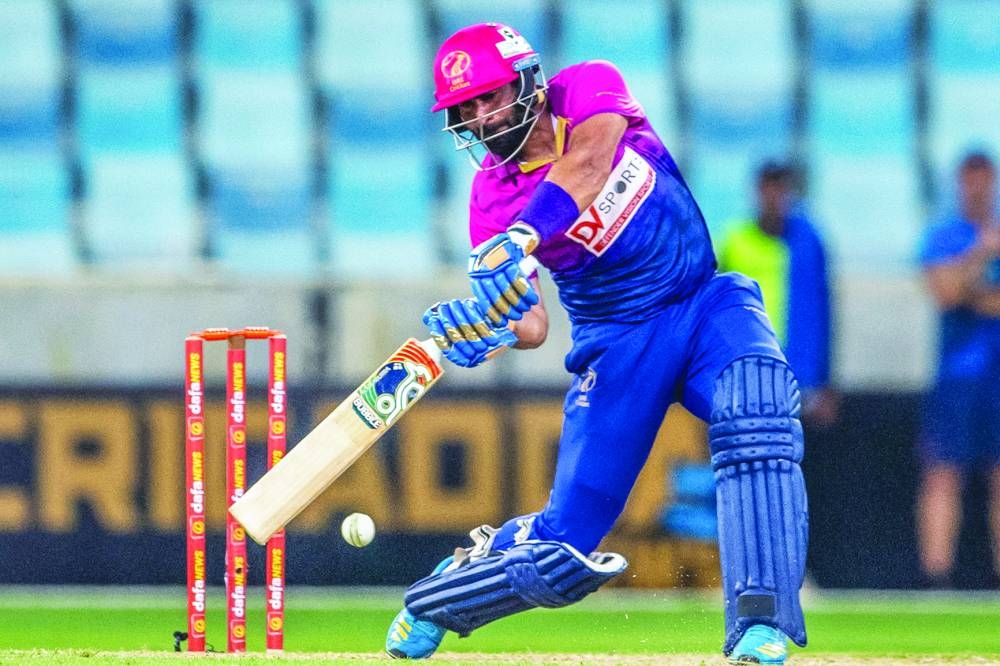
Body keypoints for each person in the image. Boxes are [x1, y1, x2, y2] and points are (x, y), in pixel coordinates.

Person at [385, 23, 808, 663]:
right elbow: (531, 325)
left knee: (759, 409)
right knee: (564, 548)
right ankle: (445, 593)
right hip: (616, 346)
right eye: (465, 109)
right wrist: (492, 327)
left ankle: (759, 623)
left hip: (703, 304)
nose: (479, 118)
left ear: (527, 82)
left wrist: (523, 237)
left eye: (489, 97)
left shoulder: (586, 88)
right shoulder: (490, 198)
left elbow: (588, 162)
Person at [917, 150, 1000, 589]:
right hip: (956, 377)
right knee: (943, 472)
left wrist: (968, 290)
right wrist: (980, 256)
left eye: (984, 180)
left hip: (995, 376)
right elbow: (946, 293)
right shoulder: (944, 235)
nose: (977, 189)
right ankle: (937, 579)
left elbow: (961, 292)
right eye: (970, 180)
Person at [715, 161, 836, 426]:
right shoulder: (735, 240)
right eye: (768, 190)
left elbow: (824, 311)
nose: (774, 198)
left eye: (781, 190)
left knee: (794, 444)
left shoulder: (807, 239)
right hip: (746, 367)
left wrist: (826, 379)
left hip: (798, 371)